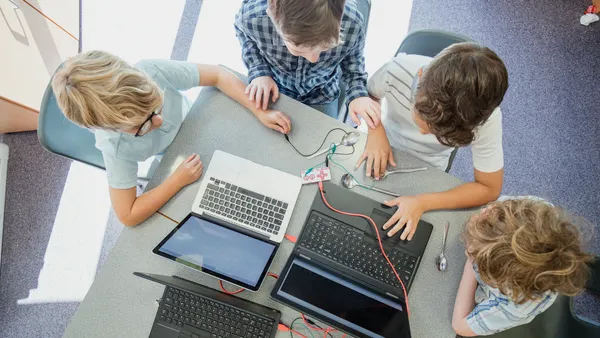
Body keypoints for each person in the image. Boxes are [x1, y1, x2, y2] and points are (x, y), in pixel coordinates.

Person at [52, 50, 291, 226]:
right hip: (179, 159)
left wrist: (259, 110)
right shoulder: (115, 147)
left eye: (157, 106)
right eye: (142, 126)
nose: (159, 121)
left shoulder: (150, 70)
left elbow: (217, 75)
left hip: (201, 125)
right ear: (113, 129)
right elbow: (128, 215)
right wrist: (176, 180)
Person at [363, 42, 509, 240]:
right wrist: (375, 129)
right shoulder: (397, 70)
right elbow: (368, 95)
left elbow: (489, 188)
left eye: (437, 134)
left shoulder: (485, 119)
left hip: (430, 167)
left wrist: (423, 202)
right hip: (381, 142)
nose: (423, 134)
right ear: (420, 77)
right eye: (422, 118)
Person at [452, 198, 592, 336]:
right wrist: (487, 220)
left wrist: (470, 262)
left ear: (497, 276)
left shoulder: (515, 305)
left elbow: (460, 326)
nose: (483, 211)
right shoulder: (531, 209)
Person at [234, 0, 382, 127]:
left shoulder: (352, 24)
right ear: (272, 16)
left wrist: (358, 95)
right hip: (277, 86)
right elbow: (244, 34)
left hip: (323, 92)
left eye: (325, 48)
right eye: (298, 50)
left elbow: (353, 63)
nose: (314, 59)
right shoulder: (252, 18)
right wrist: (259, 71)